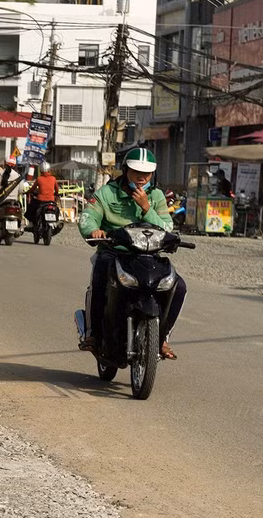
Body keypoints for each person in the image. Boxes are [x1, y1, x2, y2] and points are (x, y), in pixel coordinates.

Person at [78, 148, 186, 360]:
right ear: (126, 169)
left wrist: (147, 208)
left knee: (179, 286)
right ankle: (92, 334)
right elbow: (87, 217)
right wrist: (94, 231)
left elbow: (167, 227)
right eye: (136, 171)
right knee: (100, 275)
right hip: (114, 252)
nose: (141, 177)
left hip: (148, 255)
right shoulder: (107, 193)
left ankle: (162, 337)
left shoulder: (156, 196)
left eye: (147, 173)